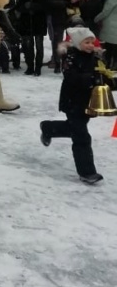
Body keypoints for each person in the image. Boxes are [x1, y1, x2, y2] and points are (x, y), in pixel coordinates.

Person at [40, 27, 104, 185]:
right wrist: (90, 78)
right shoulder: (70, 57)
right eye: (86, 42)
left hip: (88, 102)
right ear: (77, 43)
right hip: (73, 101)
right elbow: (71, 77)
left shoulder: (94, 57)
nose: (90, 45)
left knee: (75, 129)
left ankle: (48, 128)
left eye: (92, 42)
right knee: (82, 136)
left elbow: (99, 75)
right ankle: (87, 172)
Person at [15, 0, 48, 76]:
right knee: (28, 46)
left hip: (39, 22)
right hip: (26, 23)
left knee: (39, 46)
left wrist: (33, 6)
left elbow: (45, 6)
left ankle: (38, 67)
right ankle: (30, 66)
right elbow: (19, 6)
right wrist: (25, 8)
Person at [95, 0, 117, 70]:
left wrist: (96, 19)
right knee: (115, 49)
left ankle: (107, 66)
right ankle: (114, 65)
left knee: (108, 49)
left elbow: (105, 12)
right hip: (114, 28)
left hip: (109, 28)